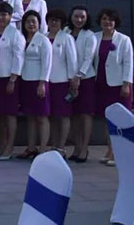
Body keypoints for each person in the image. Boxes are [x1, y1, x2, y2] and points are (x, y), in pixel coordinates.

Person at [94, 8, 134, 166]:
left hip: (118, 86)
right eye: (104, 19)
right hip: (101, 84)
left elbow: (128, 63)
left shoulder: (124, 40)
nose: (107, 22)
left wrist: (126, 84)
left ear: (115, 22)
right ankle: (110, 150)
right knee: (107, 120)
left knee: (119, 120)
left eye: (110, 19)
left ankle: (120, 153)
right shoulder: (95, 37)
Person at [17, 10, 52, 159]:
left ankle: (43, 149)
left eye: (34, 21)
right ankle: (31, 148)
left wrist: (42, 83)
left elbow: (47, 64)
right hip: (25, 81)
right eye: (28, 22)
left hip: (38, 83)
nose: (31, 24)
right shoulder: (21, 39)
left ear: (39, 24)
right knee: (30, 117)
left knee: (41, 117)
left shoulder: (43, 40)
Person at [0, 2, 25, 160]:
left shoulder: (15, 34)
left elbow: (19, 58)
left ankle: (10, 146)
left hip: (9, 79)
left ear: (10, 16)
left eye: (4, 15)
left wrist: (12, 79)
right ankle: (1, 144)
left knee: (10, 114)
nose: (1, 17)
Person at [68, 5, 98, 163]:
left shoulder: (90, 36)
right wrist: (71, 78)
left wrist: (78, 76)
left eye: (82, 17)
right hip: (68, 79)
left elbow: (88, 58)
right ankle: (77, 146)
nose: (79, 20)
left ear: (87, 19)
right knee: (73, 115)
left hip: (85, 80)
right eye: (76, 16)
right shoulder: (65, 32)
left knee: (85, 114)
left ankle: (84, 148)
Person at [46, 9, 77, 157]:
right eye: (51, 20)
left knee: (63, 115)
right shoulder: (43, 37)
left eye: (57, 20)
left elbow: (72, 61)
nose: (53, 22)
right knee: (51, 116)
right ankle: (54, 145)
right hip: (47, 82)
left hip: (62, 82)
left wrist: (72, 82)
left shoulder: (66, 38)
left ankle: (61, 146)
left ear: (61, 23)